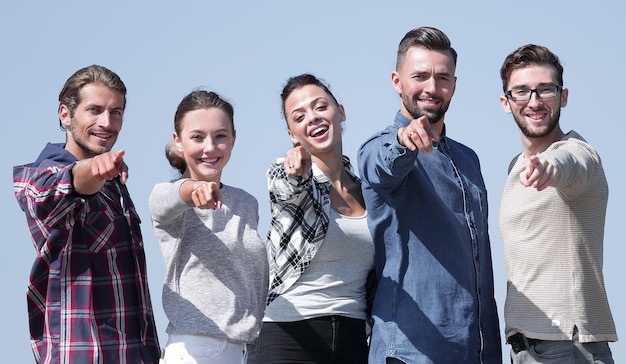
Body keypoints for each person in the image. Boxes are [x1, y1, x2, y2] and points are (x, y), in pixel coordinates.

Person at [357, 26, 501, 363]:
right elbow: (380, 164)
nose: (432, 88)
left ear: (454, 84)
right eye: (420, 76)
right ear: (397, 82)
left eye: (443, 78)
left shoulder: (469, 159)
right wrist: (405, 141)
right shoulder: (379, 146)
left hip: (473, 351)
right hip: (409, 351)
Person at [13, 65, 161, 363]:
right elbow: (66, 184)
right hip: (81, 353)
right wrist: (94, 170)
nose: (107, 122)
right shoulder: (38, 177)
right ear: (65, 114)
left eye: (115, 112)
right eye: (94, 110)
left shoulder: (116, 185)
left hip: (135, 353)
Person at [498, 44, 618, 363]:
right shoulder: (515, 167)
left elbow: (567, 162)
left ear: (563, 97)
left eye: (545, 90)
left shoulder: (580, 153)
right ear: (506, 103)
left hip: (568, 346)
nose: (534, 102)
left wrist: (550, 168)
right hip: (524, 349)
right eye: (521, 91)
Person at [253, 74, 374, 364]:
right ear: (293, 135)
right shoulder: (286, 172)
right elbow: (285, 188)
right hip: (290, 335)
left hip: (353, 338)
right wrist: (297, 173)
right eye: (299, 116)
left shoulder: (370, 192)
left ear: (340, 112)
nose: (313, 118)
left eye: (320, 107)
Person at [148, 90, 269, 364]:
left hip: (244, 351)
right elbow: (169, 198)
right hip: (195, 351)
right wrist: (194, 190)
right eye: (197, 137)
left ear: (234, 139)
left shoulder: (246, 202)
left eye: (220, 136)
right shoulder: (168, 196)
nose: (210, 147)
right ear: (178, 142)